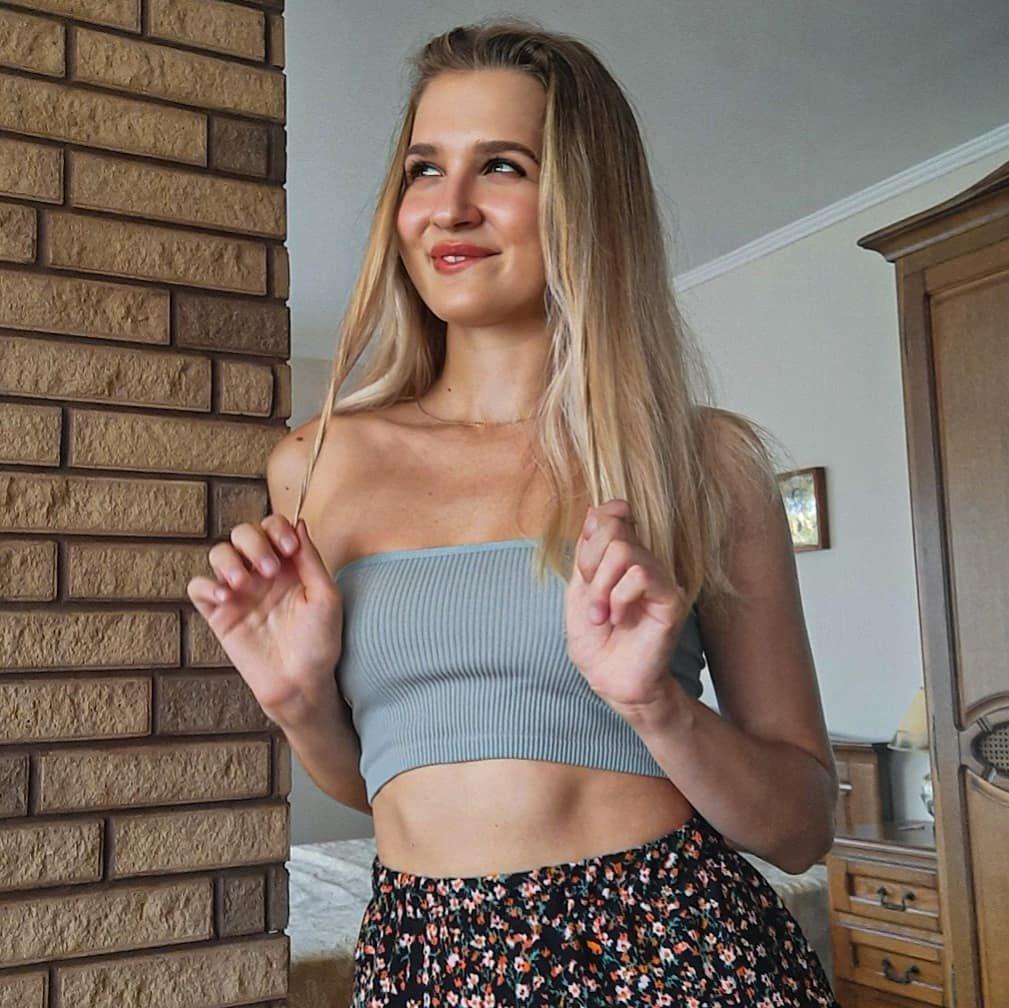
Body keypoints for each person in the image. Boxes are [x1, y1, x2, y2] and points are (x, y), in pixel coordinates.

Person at [188, 16, 842, 1007]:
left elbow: (799, 828)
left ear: (584, 199)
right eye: (423, 169)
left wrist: (656, 708)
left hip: (670, 951)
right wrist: (298, 704)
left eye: (500, 166)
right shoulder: (314, 465)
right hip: (422, 956)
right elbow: (381, 784)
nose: (448, 208)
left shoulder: (700, 461)